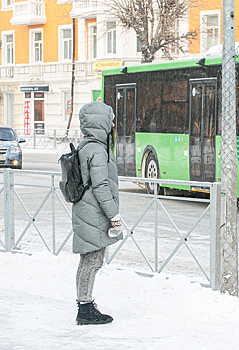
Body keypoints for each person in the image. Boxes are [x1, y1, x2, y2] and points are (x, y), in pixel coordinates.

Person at [73, 101, 123, 325]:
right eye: (110, 119)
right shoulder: (97, 149)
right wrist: (114, 215)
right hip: (94, 212)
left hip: (86, 209)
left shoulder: (87, 145)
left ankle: (84, 305)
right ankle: (84, 309)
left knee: (88, 261)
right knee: (93, 261)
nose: (112, 123)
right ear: (100, 121)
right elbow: (101, 186)